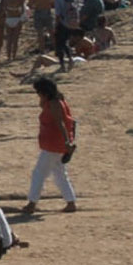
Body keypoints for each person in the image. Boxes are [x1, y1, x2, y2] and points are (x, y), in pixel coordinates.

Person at [22, 74, 80, 215]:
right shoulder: (54, 100)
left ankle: (32, 203)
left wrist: (67, 142)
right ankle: (70, 202)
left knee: (39, 174)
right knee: (59, 173)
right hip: (55, 144)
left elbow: (60, 123)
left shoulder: (54, 103)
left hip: (54, 144)